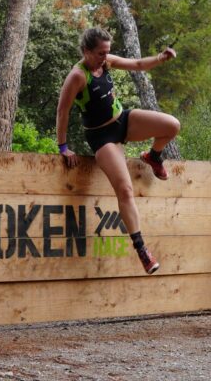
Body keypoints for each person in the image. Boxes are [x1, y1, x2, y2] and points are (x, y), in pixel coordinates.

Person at [56, 27, 180, 274]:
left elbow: (136, 64)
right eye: (101, 53)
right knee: (125, 189)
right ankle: (142, 250)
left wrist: (159, 58)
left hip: (123, 121)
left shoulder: (107, 62)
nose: (105, 57)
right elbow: (63, 111)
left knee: (172, 126)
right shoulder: (77, 76)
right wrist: (63, 147)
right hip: (102, 137)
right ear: (86, 51)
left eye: (107, 52)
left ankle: (153, 156)